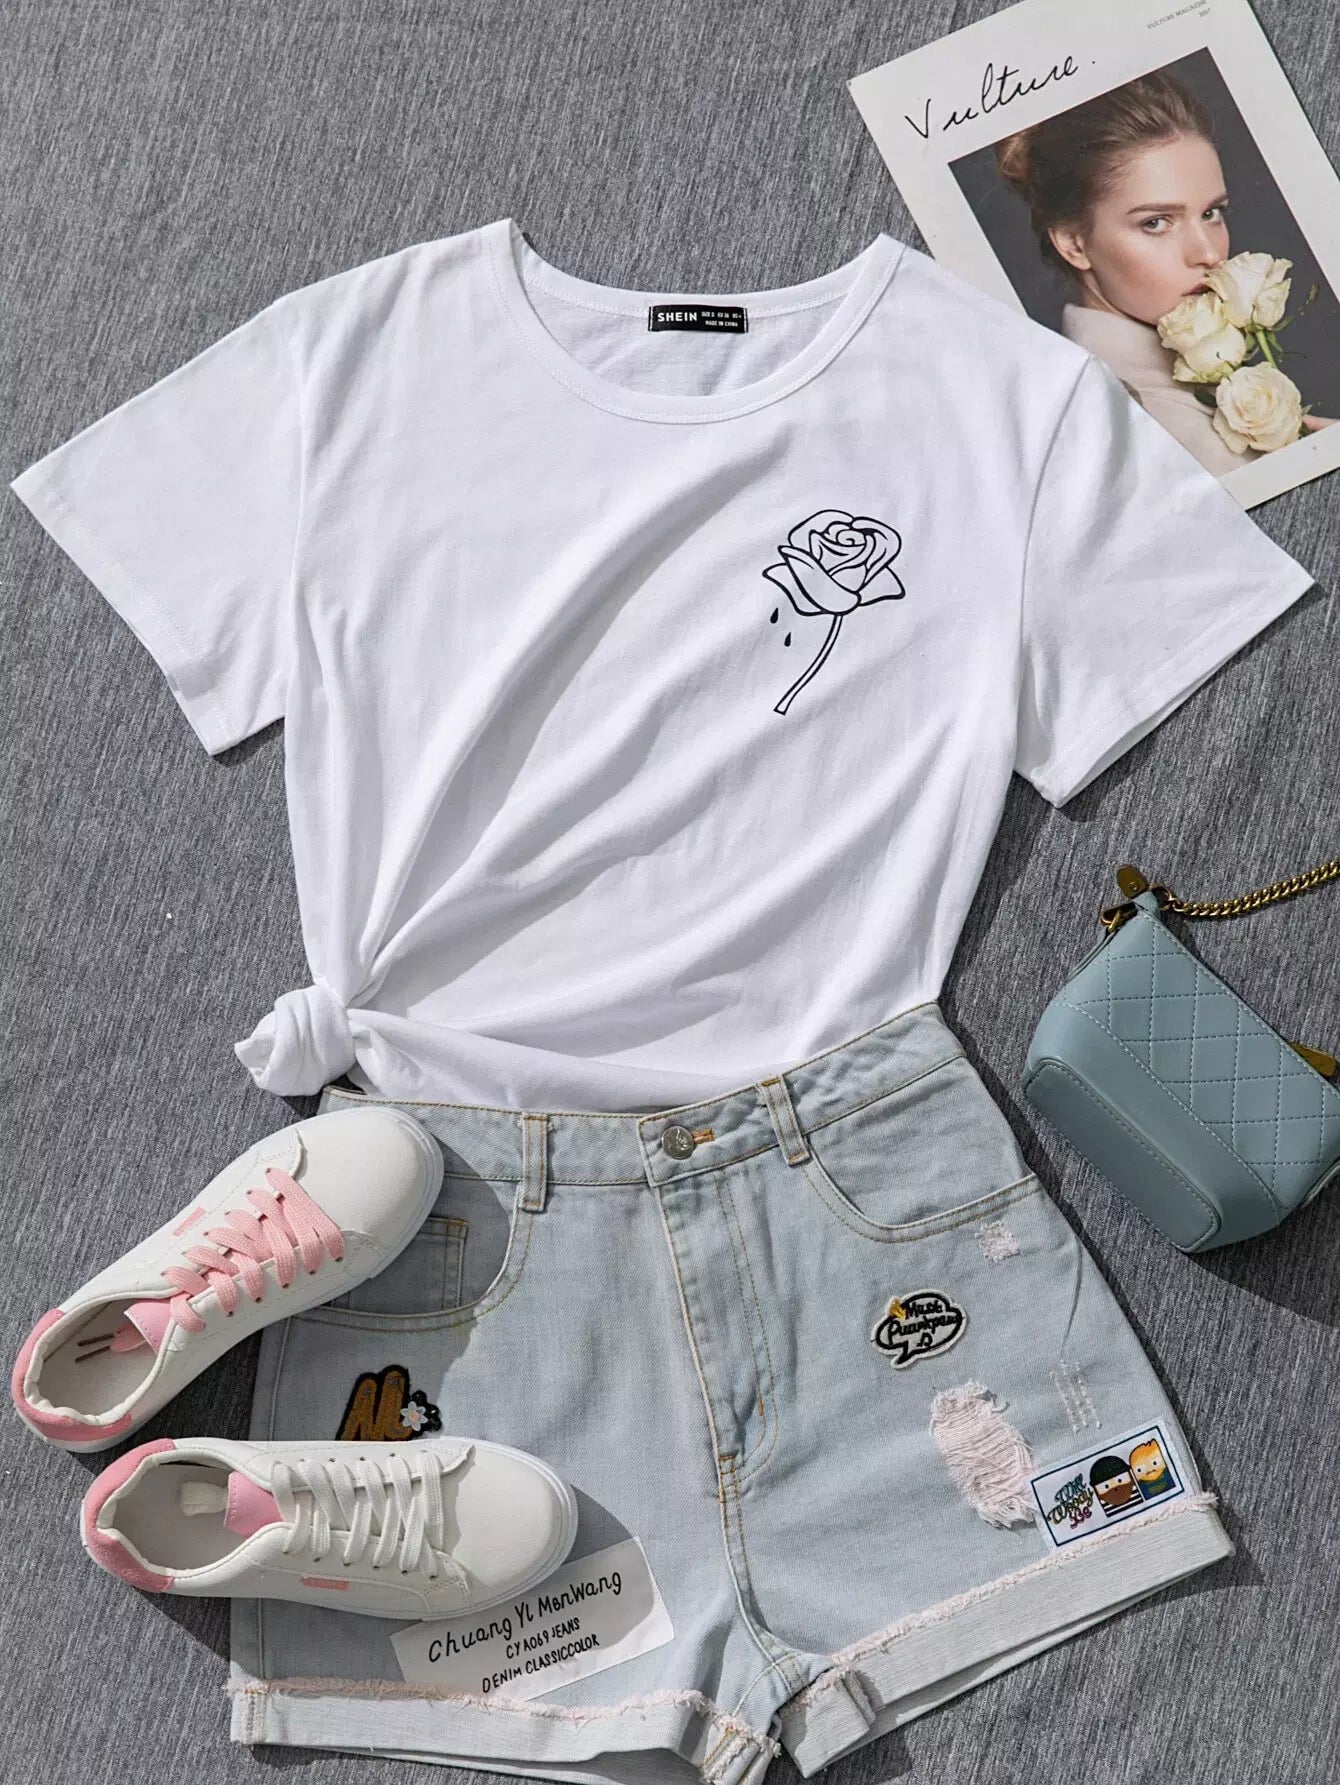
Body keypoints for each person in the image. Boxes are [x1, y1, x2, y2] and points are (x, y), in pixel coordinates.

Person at [996, 71, 1331, 476]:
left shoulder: (1167, 385)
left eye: (1211, 213)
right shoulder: (1156, 423)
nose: (1209, 253)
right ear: (1073, 243)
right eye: (1155, 223)